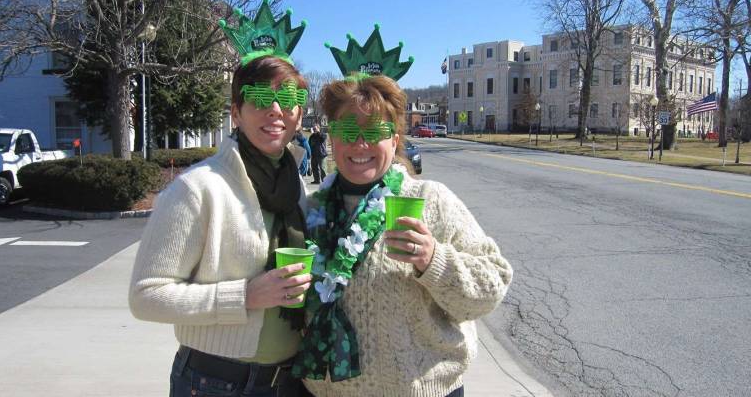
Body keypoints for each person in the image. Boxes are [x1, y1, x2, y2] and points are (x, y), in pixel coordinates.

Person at [293, 75, 513, 396]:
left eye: (374, 132)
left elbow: (492, 287)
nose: (360, 143)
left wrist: (433, 260)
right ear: (332, 139)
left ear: (395, 140)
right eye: (347, 131)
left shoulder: (431, 200)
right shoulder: (310, 210)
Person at [129, 55, 313, 397]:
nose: (275, 109)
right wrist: (244, 296)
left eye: (289, 99)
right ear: (236, 112)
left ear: (299, 113)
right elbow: (145, 297)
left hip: (292, 380)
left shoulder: (296, 188)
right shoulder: (197, 188)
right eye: (259, 97)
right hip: (218, 383)